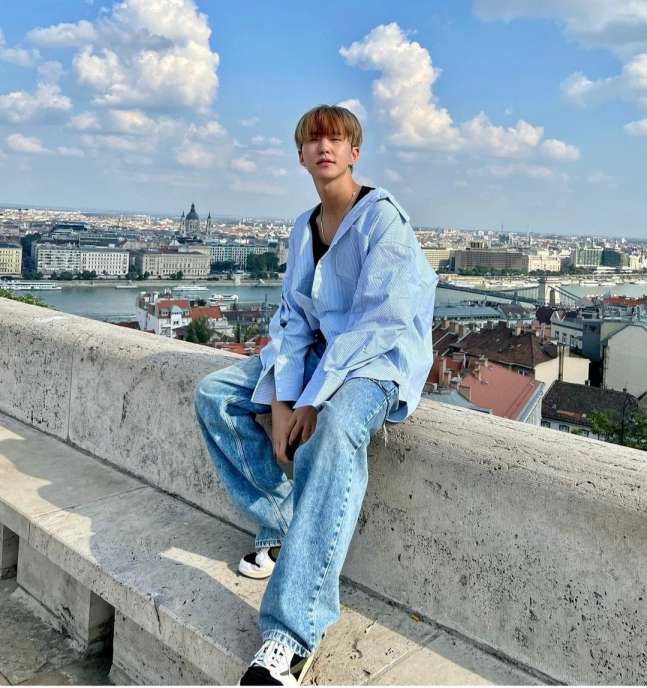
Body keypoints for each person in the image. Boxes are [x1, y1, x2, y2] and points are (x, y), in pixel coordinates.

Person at [194, 104, 438, 685]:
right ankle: (281, 524)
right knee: (216, 395)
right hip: (321, 357)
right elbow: (293, 319)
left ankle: (291, 634)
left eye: (336, 138)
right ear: (301, 155)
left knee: (334, 430)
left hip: (375, 362)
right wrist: (283, 398)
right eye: (314, 139)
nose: (324, 147)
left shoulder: (382, 220)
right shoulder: (305, 227)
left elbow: (383, 322)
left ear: (355, 152)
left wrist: (310, 401)